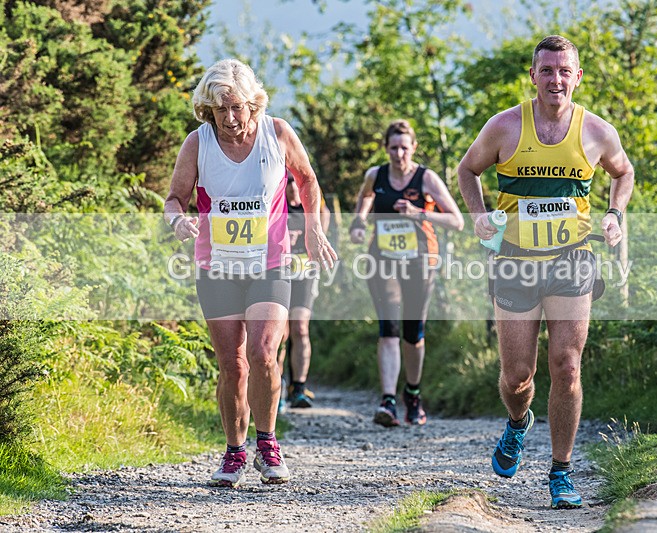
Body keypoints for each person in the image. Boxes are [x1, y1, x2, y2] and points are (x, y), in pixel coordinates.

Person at [457, 35, 634, 509]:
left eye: (565, 71)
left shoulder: (597, 131)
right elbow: (467, 170)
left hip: (572, 259)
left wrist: (615, 215)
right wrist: (478, 216)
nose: (556, 79)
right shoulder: (504, 127)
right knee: (517, 376)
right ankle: (518, 423)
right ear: (533, 76)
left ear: (578, 77)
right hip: (515, 261)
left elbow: (624, 173)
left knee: (567, 366)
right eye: (547, 71)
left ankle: (561, 470)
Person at [163, 58, 336, 488]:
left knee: (262, 353)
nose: (230, 118)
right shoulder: (197, 143)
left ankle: (268, 443)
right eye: (220, 110)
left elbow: (309, 181)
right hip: (217, 266)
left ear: (253, 104)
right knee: (233, 364)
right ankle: (235, 452)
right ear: (209, 109)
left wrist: (313, 231)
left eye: (237, 107)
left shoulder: (277, 133)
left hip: (270, 262)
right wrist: (178, 221)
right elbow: (174, 199)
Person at [350, 120, 464, 427]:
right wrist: (359, 222)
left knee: (413, 333)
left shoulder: (427, 178)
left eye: (404, 147)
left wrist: (418, 213)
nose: (399, 153)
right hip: (382, 258)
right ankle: (388, 400)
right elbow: (365, 200)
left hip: (420, 260)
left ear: (413, 148)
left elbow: (457, 220)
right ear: (385, 148)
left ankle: (412, 394)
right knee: (388, 328)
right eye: (393, 147)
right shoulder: (376, 176)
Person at [277, 171, 331, 409]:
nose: (293, 187)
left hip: (305, 272)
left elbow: (323, 226)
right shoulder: (276, 204)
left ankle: (298, 387)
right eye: (289, 182)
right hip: (277, 272)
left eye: (297, 182)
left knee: (300, 328)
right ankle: (275, 388)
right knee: (279, 334)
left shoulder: (315, 207)